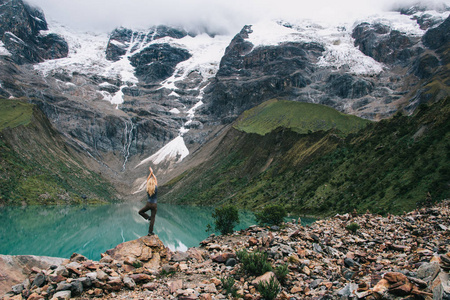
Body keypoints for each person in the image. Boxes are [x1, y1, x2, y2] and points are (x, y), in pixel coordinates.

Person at [138, 166, 158, 236]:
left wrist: (150, 172)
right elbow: (155, 179)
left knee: (140, 212)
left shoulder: (147, 188)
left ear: (149, 183)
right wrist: (152, 173)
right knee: (153, 219)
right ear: (154, 183)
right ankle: (150, 232)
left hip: (148, 204)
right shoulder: (155, 187)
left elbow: (147, 180)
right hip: (154, 205)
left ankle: (147, 217)